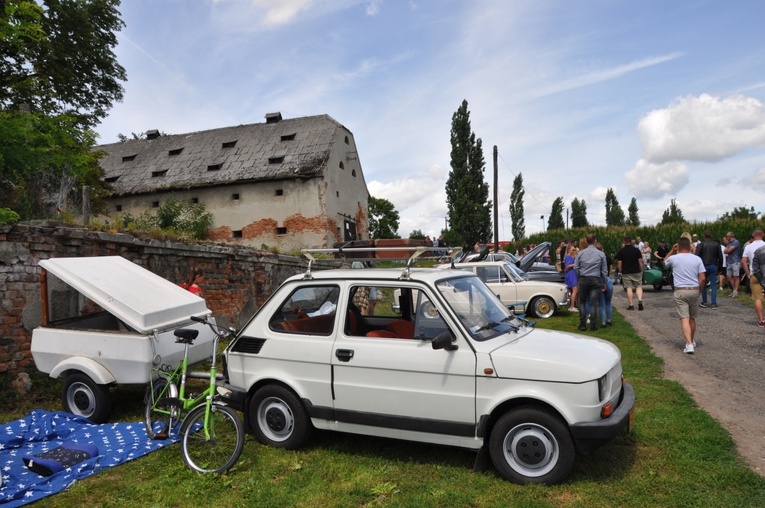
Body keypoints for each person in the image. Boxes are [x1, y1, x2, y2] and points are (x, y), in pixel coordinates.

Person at [665, 236, 706, 354]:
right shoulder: (697, 259)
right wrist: (699, 289)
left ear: (678, 247)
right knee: (692, 318)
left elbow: (664, 262)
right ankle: (691, 340)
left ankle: (688, 344)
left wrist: (672, 250)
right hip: (694, 289)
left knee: (684, 317)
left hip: (680, 290)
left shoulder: (673, 258)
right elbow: (702, 278)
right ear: (689, 247)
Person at [574, 234, 607, 331]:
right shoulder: (601, 254)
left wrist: (579, 276)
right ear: (595, 241)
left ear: (586, 241)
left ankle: (583, 324)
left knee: (582, 302)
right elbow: (604, 271)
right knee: (594, 303)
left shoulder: (580, 253)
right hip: (595, 279)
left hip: (583, 278)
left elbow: (576, 267)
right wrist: (603, 282)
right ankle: (593, 325)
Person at [742, 228, 765, 328]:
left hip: (754, 274)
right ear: (763, 235)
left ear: (753, 235)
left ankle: (761, 320)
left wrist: (748, 273)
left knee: (757, 298)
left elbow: (743, 261)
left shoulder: (748, 247)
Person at [615, 235, 644, 310]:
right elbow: (640, 261)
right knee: (638, 286)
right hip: (636, 271)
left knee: (629, 288)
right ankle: (640, 301)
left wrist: (620, 270)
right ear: (631, 242)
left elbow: (619, 263)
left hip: (626, 272)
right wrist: (641, 270)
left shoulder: (621, 251)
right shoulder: (636, 250)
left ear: (624, 242)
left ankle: (631, 305)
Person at [695, 230, 722, 309]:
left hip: (703, 266)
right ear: (711, 236)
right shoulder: (716, 244)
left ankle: (704, 301)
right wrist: (720, 268)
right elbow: (720, 257)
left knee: (703, 284)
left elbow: (696, 256)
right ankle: (713, 303)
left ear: (704, 236)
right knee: (713, 285)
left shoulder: (701, 245)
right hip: (713, 265)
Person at [724, 231, 741, 298]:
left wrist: (727, 249)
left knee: (736, 276)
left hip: (735, 261)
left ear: (730, 236)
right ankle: (734, 290)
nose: (726, 238)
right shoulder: (729, 243)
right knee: (729, 276)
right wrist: (727, 249)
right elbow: (725, 251)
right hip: (729, 261)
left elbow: (728, 251)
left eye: (727, 236)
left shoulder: (735, 242)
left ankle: (736, 290)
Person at [563, 244, 579, 311]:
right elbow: (567, 266)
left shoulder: (572, 256)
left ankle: (573, 304)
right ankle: (572, 306)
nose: (574, 251)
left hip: (571, 273)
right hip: (571, 274)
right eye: (572, 250)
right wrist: (576, 264)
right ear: (569, 250)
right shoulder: (568, 256)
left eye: (574, 249)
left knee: (573, 290)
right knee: (575, 290)